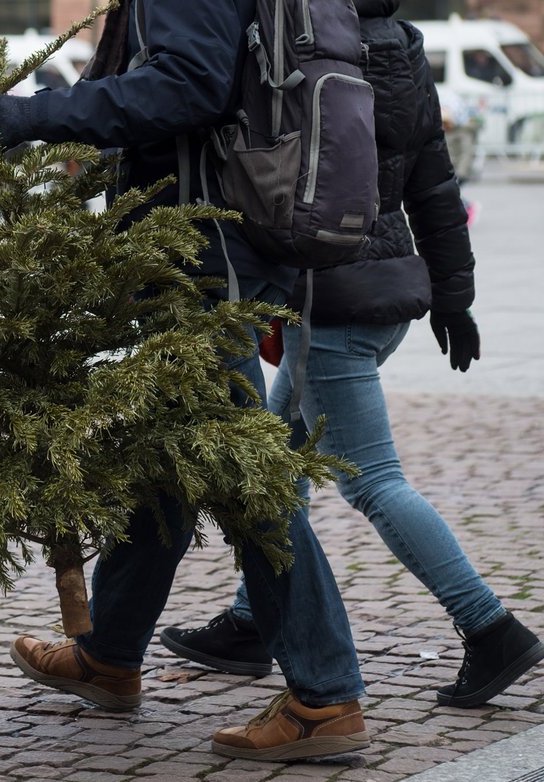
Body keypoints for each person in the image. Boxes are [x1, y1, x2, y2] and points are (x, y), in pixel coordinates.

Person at [0, 0, 371, 761]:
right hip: (207, 247)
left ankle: (325, 696)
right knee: (171, 464)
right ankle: (111, 653)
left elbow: (186, 87)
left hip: (200, 255)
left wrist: (34, 115)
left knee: (242, 470)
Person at [159, 0, 544, 710]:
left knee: (372, 481)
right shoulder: (398, 43)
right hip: (385, 287)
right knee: (282, 459)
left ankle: (491, 628)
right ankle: (251, 619)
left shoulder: (300, 43)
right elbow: (434, 178)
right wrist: (454, 298)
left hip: (328, 300)